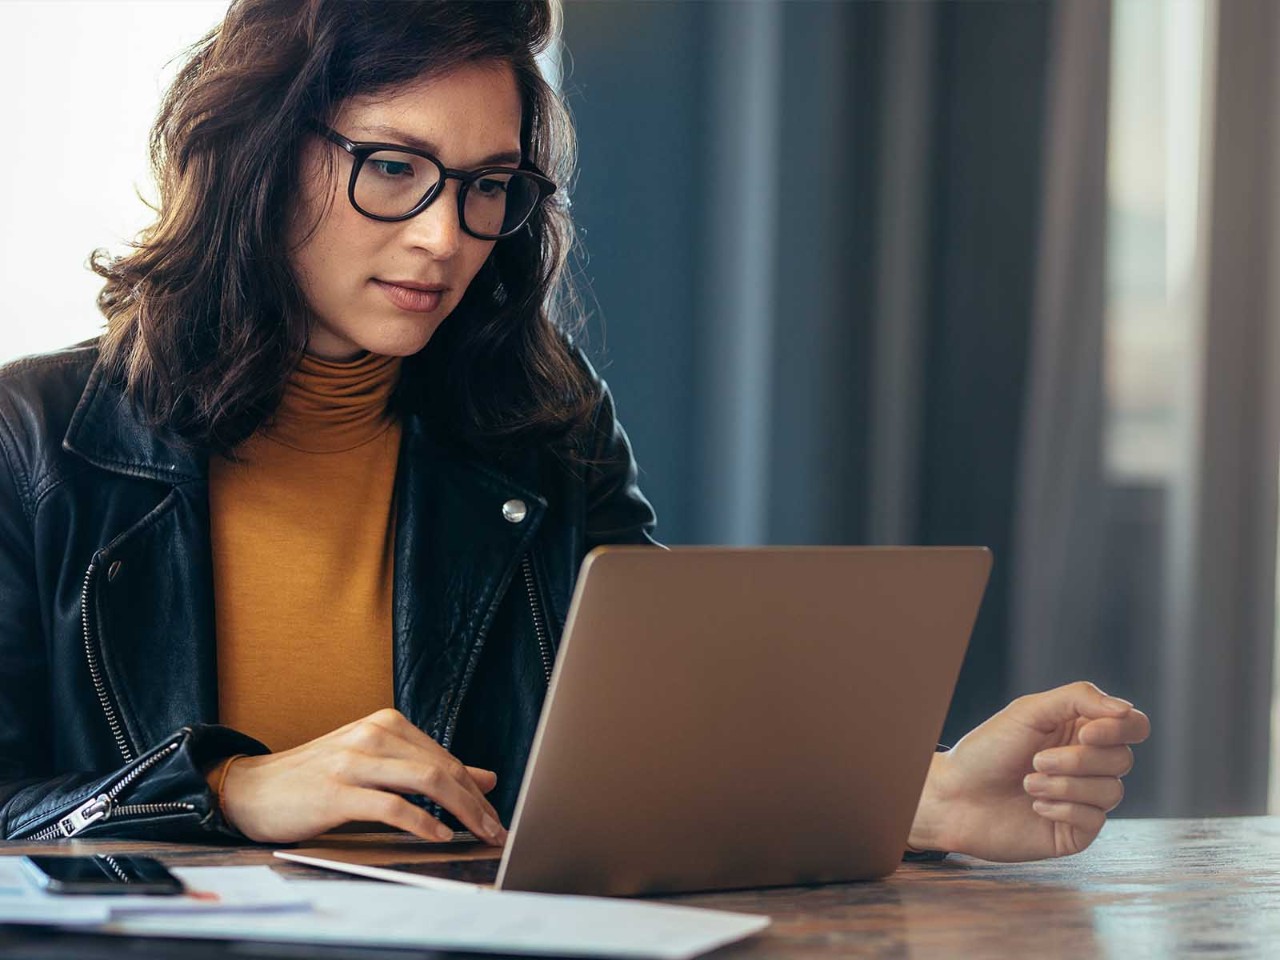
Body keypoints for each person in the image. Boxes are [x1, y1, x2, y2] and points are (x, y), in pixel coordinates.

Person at [0, 0, 1147, 862]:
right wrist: (229, 791)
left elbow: (647, 750)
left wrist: (927, 794)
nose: (447, 236)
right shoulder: (34, 442)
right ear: (259, 154)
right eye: (393, 169)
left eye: (488, 184)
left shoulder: (541, 425)